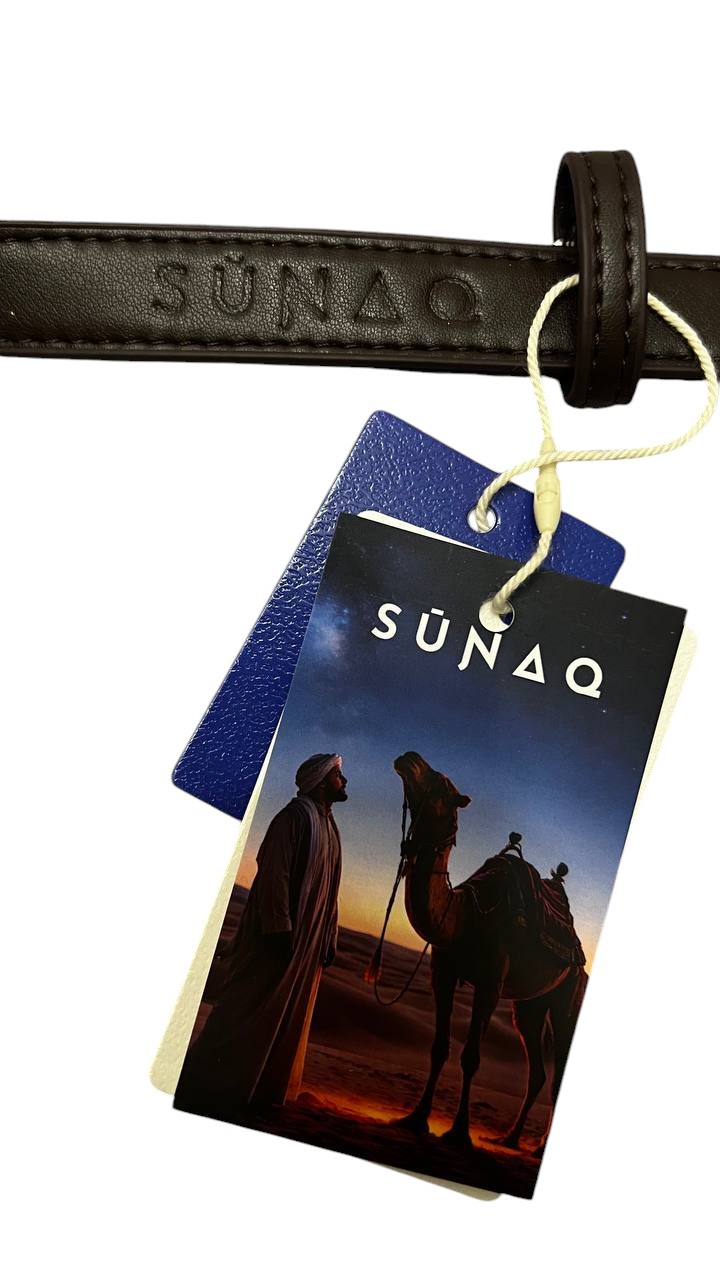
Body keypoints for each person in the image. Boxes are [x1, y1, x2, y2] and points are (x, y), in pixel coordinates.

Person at [175, 754, 347, 1118]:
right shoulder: (294, 817)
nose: (343, 781)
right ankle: (209, 1082)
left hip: (307, 945)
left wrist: (328, 936)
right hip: (278, 938)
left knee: (287, 1016)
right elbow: (274, 874)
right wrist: (278, 927)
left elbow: (331, 892)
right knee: (248, 1007)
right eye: (337, 775)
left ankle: (262, 1089)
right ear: (320, 781)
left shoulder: (330, 828)